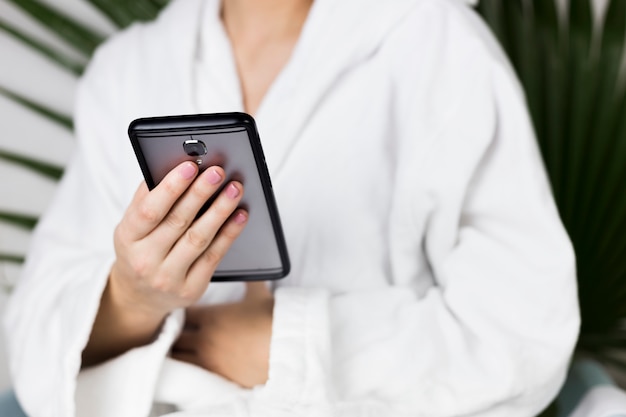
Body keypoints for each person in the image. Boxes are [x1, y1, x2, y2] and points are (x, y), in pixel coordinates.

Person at [2, 0, 580, 415]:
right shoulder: (128, 68)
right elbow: (35, 342)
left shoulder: (438, 44)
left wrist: (290, 346)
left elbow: (524, 331)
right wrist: (133, 298)